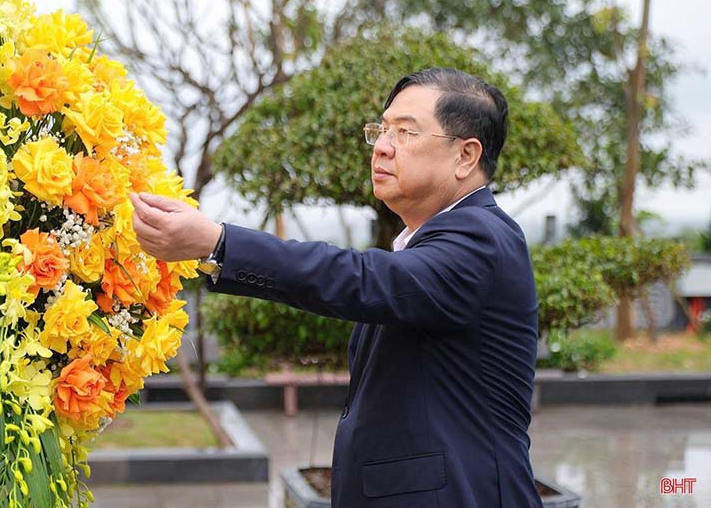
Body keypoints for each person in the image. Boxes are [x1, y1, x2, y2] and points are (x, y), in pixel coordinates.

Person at [130, 67, 542, 507]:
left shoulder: (481, 238)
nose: (382, 147)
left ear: (466, 156)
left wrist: (219, 243)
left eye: (405, 133)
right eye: (381, 130)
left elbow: (361, 279)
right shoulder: (427, 243)